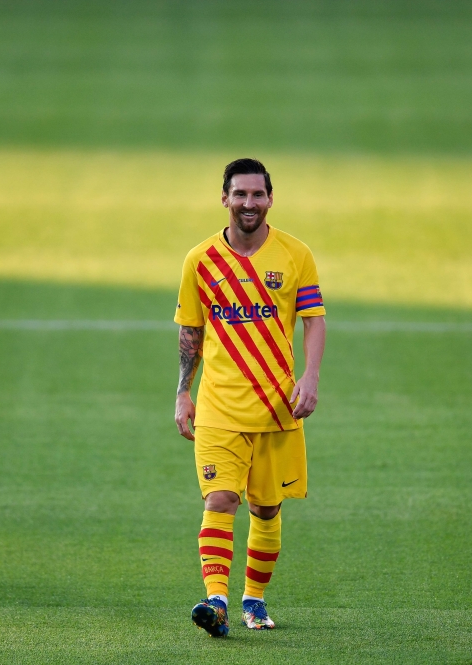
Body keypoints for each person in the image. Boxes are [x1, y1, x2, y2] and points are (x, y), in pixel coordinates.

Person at [174, 158, 327, 637]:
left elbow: (314, 319)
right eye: (239, 194)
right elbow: (190, 332)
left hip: (279, 409)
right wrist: (182, 392)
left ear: (270, 198)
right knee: (220, 499)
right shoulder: (200, 260)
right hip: (219, 407)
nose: (248, 203)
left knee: (266, 509)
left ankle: (254, 600)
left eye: (257, 194)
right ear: (224, 199)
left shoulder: (294, 254)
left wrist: (311, 377)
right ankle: (216, 601)